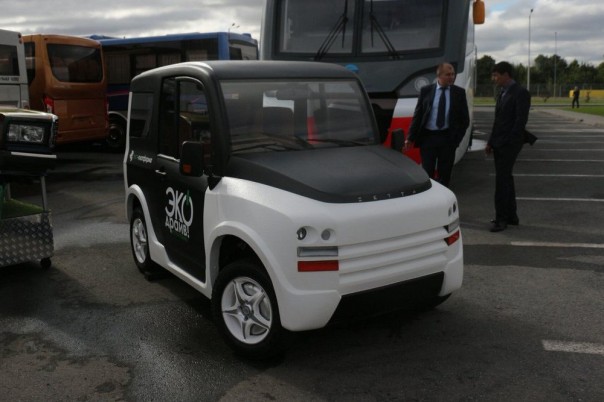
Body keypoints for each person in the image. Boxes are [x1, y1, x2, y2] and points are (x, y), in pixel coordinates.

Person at [404, 62, 470, 188]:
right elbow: (418, 116)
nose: (451, 77)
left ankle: (443, 195)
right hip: (428, 139)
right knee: (427, 173)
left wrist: (456, 140)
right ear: (439, 75)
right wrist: (410, 138)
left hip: (448, 139)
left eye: (453, 74)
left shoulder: (459, 93)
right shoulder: (426, 91)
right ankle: (429, 196)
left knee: (445, 174)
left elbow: (464, 120)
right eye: (448, 74)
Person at [486, 61, 531, 232]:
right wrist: (490, 142)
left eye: (496, 75)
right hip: (499, 142)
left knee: (502, 181)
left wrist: (509, 142)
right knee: (506, 179)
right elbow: (498, 121)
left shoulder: (520, 93)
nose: (494, 78)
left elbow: (520, 121)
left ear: (506, 75)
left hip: (509, 144)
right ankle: (511, 216)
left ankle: (501, 219)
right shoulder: (502, 92)